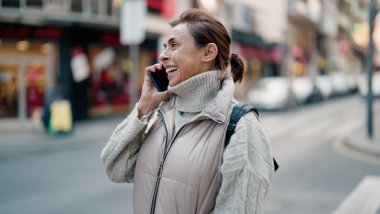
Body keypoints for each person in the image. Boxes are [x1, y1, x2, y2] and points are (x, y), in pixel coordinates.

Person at [101, 8, 274, 214]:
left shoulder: (240, 126)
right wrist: (144, 107)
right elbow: (115, 168)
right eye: (165, 47)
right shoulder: (162, 114)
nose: (163, 55)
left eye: (174, 45)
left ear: (208, 53)